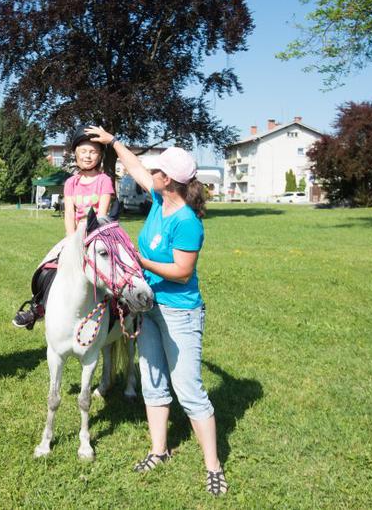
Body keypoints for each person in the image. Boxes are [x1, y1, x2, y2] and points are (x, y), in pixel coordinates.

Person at [87, 126, 227, 496]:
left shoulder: (186, 222)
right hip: (148, 308)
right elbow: (134, 168)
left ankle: (213, 465)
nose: (152, 174)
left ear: (171, 180)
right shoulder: (159, 199)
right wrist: (112, 140)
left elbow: (182, 273)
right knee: (152, 381)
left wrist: (141, 261)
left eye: (158, 171)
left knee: (189, 389)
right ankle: (158, 450)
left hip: (180, 313)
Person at [12, 126, 115, 328]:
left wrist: (90, 239)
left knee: (115, 269)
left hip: (99, 234)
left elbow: (102, 215)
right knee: (45, 266)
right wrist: (71, 240)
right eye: (83, 151)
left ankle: (124, 310)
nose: (88, 156)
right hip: (76, 235)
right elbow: (69, 212)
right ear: (76, 155)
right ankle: (38, 307)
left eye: (93, 151)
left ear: (100, 155)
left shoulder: (104, 180)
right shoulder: (71, 183)